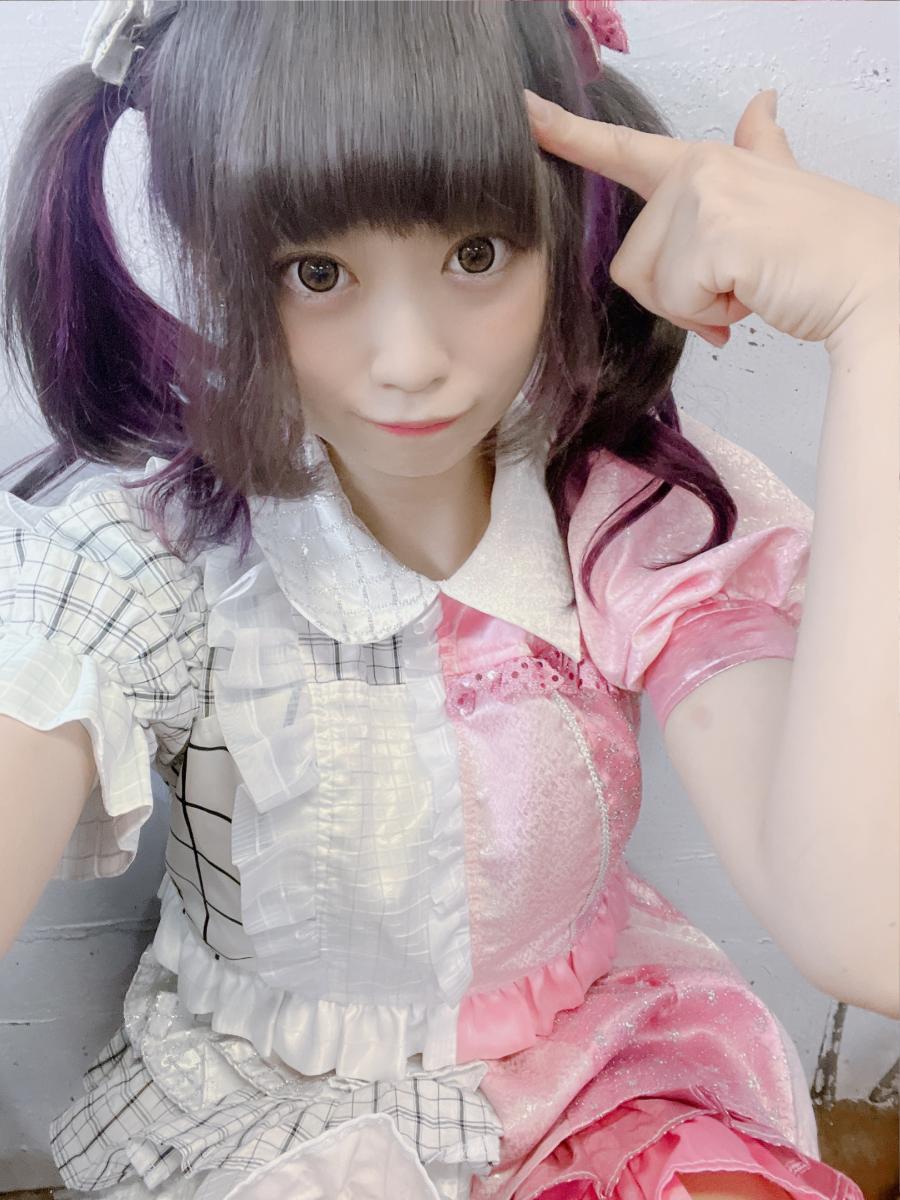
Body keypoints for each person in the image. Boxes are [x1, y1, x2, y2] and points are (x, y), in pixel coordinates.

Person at [0, 2, 896, 1199]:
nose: (410, 359)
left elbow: (868, 935)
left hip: (600, 1075)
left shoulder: (626, 515)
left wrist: (880, 311)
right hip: (262, 1105)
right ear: (212, 255)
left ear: (561, 226)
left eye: (476, 254)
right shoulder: (155, 558)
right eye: (318, 272)